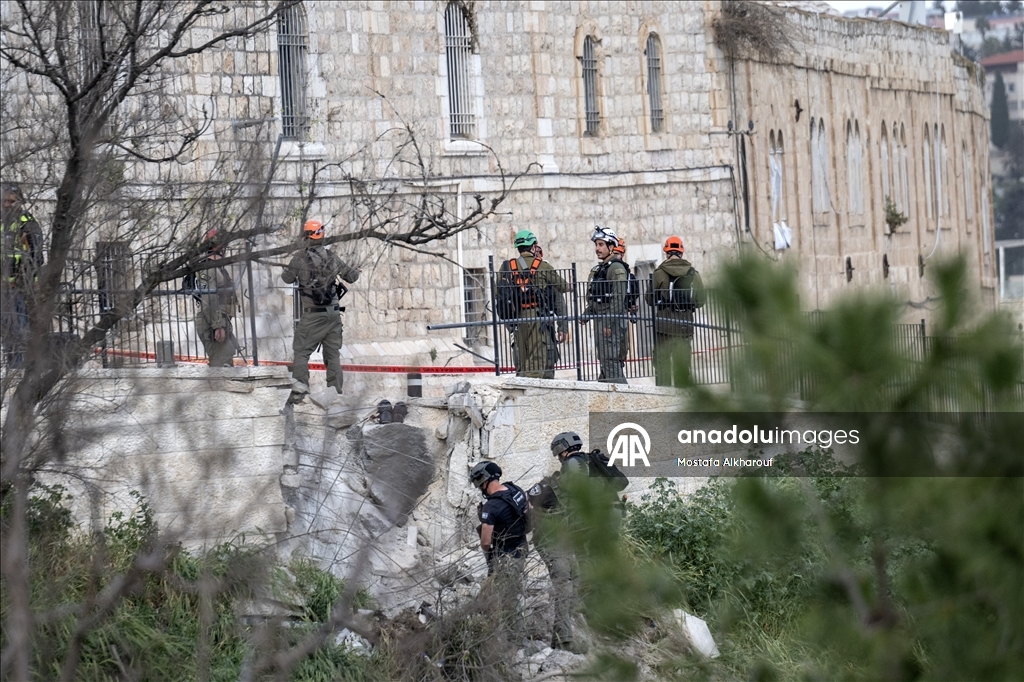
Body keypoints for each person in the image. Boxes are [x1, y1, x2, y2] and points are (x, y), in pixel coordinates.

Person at [281, 219, 359, 401]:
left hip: (313, 315)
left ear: (305, 236)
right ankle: (335, 394)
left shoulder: (299, 259)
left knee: (301, 352)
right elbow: (352, 277)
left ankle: (300, 391)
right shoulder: (332, 257)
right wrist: (355, 269)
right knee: (332, 355)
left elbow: (286, 278)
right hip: (333, 314)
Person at [497, 230, 569, 379]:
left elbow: (500, 298)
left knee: (523, 372)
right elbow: (561, 297)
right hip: (541, 325)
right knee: (541, 372)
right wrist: (563, 327)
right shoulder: (544, 268)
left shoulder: (506, 268)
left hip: (518, 324)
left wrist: (511, 326)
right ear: (533, 246)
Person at [471, 460, 530, 628]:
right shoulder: (515, 490)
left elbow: (485, 542)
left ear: (484, 480)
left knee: (507, 600)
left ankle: (515, 637)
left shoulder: (491, 507)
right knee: (509, 591)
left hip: (506, 557)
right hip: (521, 549)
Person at [647, 235, 705, 387]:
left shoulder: (659, 273)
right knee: (682, 367)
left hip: (664, 327)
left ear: (667, 252)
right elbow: (701, 301)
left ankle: (663, 396)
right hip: (684, 327)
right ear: (681, 252)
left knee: (662, 365)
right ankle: (682, 396)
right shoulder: (693, 274)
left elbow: (649, 299)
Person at [1, 183, 43, 367]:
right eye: (4, 201)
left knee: (19, 328)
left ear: (20, 202)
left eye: (11, 201)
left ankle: (20, 367)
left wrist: (25, 281)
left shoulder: (28, 223)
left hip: (20, 287)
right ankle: (11, 365)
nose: (7, 205)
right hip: (3, 287)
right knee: (7, 330)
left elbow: (36, 256)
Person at [185, 228, 237, 367]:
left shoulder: (217, 268)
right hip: (212, 321)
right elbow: (209, 299)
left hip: (218, 319)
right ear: (218, 247)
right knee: (222, 364)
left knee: (225, 362)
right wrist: (218, 326)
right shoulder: (208, 269)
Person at [583, 225, 628, 384]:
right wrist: (587, 314)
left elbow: (618, 298)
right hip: (602, 321)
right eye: (596, 244)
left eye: (601, 244)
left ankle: (624, 395)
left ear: (611, 246)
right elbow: (597, 298)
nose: (597, 248)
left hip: (611, 323)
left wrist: (608, 322)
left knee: (610, 362)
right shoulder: (602, 269)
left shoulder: (616, 268)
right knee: (605, 362)